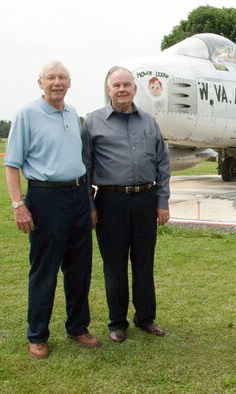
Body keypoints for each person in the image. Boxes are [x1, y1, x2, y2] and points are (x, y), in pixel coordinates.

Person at [4, 60, 100, 359]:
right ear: (40, 83)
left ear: (70, 83)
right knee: (45, 270)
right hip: (45, 199)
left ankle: (77, 327)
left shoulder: (73, 114)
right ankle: (37, 335)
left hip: (77, 196)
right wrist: (19, 205)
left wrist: (88, 202)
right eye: (51, 78)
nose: (57, 82)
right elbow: (12, 164)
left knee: (80, 269)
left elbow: (81, 161)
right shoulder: (27, 114)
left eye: (62, 77)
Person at [82, 66, 170, 343]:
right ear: (108, 89)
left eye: (127, 85)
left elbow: (162, 164)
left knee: (144, 262)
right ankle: (117, 322)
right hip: (110, 201)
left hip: (146, 199)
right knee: (114, 265)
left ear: (135, 89)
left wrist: (162, 201)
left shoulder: (149, 122)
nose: (122, 89)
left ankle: (146, 318)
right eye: (116, 85)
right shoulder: (92, 122)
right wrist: (90, 206)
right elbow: (85, 167)